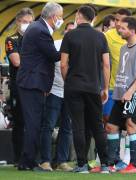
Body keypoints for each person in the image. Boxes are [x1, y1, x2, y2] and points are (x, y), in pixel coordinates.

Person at [60, 5, 110, 173]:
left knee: (78, 126)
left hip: (74, 86)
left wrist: (69, 80)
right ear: (93, 18)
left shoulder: (70, 36)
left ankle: (81, 165)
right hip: (93, 87)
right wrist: (105, 87)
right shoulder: (100, 37)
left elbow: (63, 63)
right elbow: (106, 65)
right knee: (97, 125)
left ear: (79, 16)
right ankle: (104, 163)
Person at [16, 2, 63, 171]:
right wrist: (70, 49)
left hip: (32, 82)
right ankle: (27, 162)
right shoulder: (40, 31)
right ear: (54, 17)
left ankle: (28, 160)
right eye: (61, 16)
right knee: (33, 123)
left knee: (34, 122)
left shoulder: (36, 27)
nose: (62, 20)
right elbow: (54, 55)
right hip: (32, 83)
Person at [105, 16, 136, 174]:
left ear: (132, 30)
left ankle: (134, 165)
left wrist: (130, 91)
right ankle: (112, 163)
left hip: (135, 93)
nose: (119, 29)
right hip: (120, 94)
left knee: (131, 126)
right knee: (111, 127)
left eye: (123, 28)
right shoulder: (124, 47)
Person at [39, 22, 74, 172]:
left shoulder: (80, 47)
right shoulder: (55, 44)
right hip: (54, 90)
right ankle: (45, 161)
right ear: (64, 31)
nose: (70, 34)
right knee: (48, 126)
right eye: (68, 30)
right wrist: (45, 86)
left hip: (71, 93)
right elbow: (45, 65)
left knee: (67, 128)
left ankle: (61, 161)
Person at [5, 7, 34, 166]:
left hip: (34, 86)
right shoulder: (12, 39)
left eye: (30, 22)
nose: (27, 25)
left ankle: (31, 157)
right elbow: (16, 61)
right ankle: (18, 157)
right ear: (18, 22)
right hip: (19, 85)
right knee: (19, 121)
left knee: (34, 122)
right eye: (24, 22)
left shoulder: (36, 38)